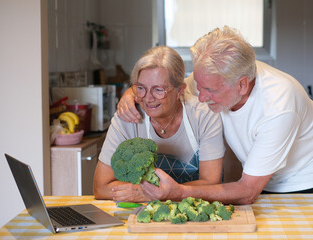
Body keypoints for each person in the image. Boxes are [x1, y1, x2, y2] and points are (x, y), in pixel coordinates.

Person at [117, 26, 313, 204]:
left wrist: (179, 192)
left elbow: (247, 191)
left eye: (210, 91)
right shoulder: (216, 76)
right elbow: (174, 89)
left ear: (241, 85)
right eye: (199, 86)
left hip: (301, 174)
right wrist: (133, 93)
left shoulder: (278, 106)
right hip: (256, 173)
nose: (200, 97)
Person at [93, 46, 225, 203]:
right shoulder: (127, 118)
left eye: (158, 90)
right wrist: (145, 191)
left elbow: (211, 183)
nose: (148, 98)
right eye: (141, 88)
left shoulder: (204, 115)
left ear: (180, 90)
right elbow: (100, 187)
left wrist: (160, 193)